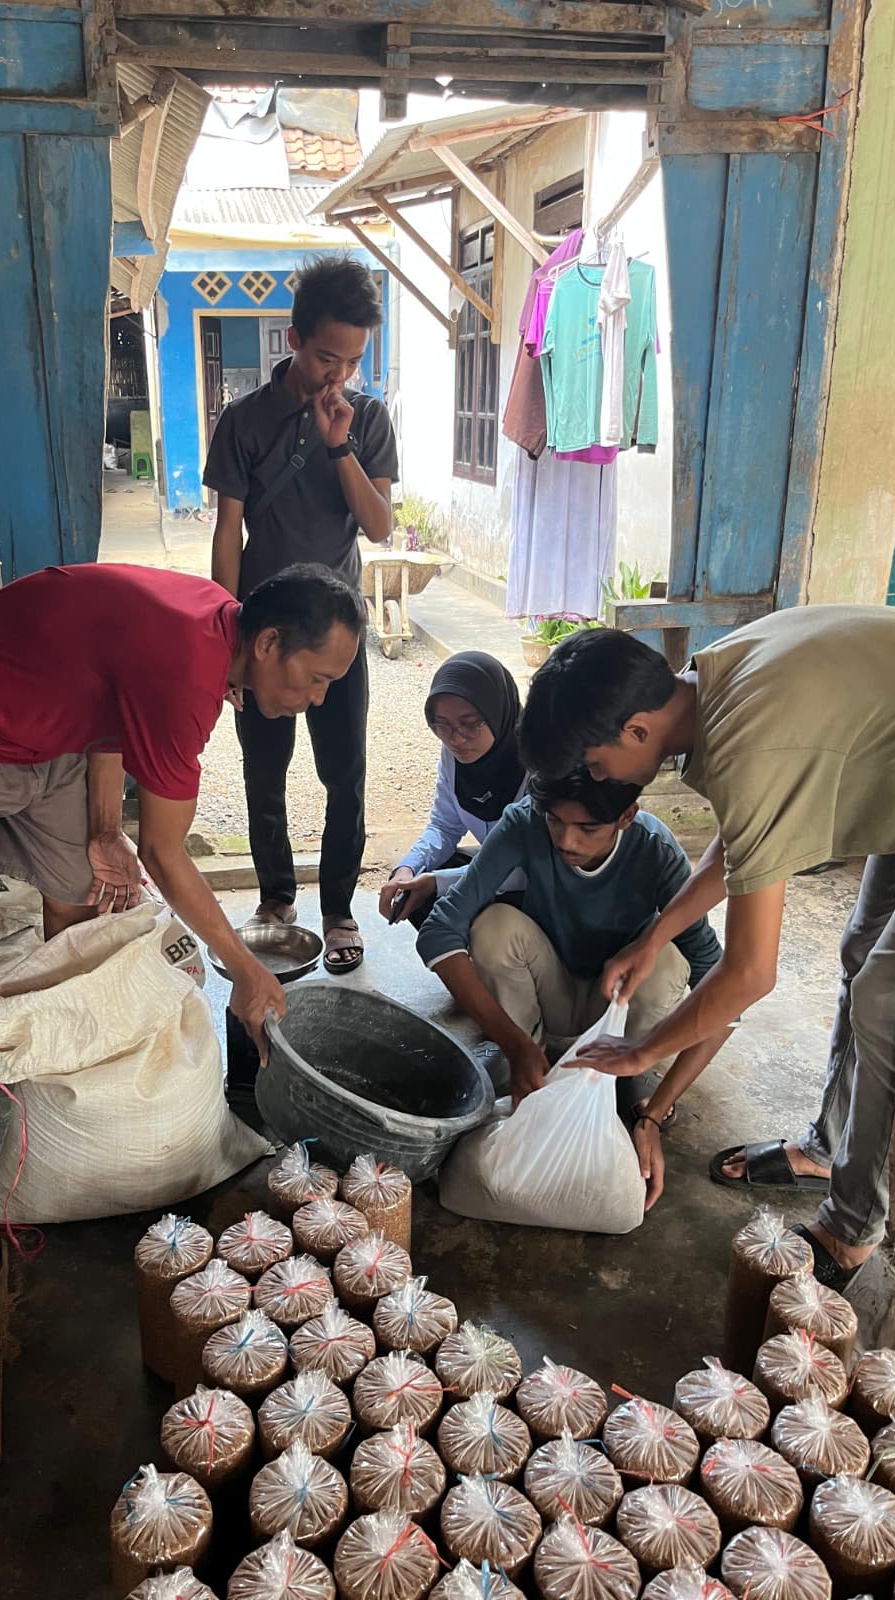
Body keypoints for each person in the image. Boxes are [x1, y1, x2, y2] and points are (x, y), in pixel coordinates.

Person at [0, 561, 364, 1193]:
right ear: (269, 643)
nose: (320, 699)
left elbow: (115, 697)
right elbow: (164, 853)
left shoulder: (222, 631)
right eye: (318, 678)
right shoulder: (187, 671)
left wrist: (106, 827)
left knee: (79, 897)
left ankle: (70, 1074)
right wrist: (246, 971)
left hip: (55, 738)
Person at [517, 605, 895, 1285]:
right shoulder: (708, 680)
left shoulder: (749, 746)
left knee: (886, 1001)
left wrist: (641, 1052)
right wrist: (655, 936)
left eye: (599, 766)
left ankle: (851, 1231)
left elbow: (751, 974)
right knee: (860, 952)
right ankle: (828, 1149)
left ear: (637, 730)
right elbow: (743, 843)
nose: (600, 782)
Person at [205, 255, 398, 974]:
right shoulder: (245, 421)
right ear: (293, 340)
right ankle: (277, 898)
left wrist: (338, 444)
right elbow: (228, 532)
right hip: (266, 637)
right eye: (325, 358)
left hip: (337, 638)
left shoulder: (367, 420)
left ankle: (339, 908)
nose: (336, 376)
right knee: (265, 771)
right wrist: (227, 636)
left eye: (352, 362)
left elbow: (378, 525)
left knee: (344, 773)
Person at [416, 766, 728, 1207]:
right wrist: (513, 1042)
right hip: (551, 989)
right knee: (493, 926)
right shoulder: (524, 821)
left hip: (616, 1005)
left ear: (627, 816)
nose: (567, 841)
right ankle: (530, 1055)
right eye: (555, 820)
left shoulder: (654, 849)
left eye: (589, 828)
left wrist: (655, 1115)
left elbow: (723, 987)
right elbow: (439, 931)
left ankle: (625, 1071)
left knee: (668, 961)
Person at [379, 651, 528, 929]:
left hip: (535, 883)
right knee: (415, 887)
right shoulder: (455, 756)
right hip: (495, 869)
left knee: (446, 892)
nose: (456, 738)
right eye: (442, 725)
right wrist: (407, 868)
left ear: (496, 712)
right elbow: (444, 826)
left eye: (470, 724)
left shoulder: (538, 763)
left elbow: (529, 866)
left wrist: (438, 882)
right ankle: (456, 955)